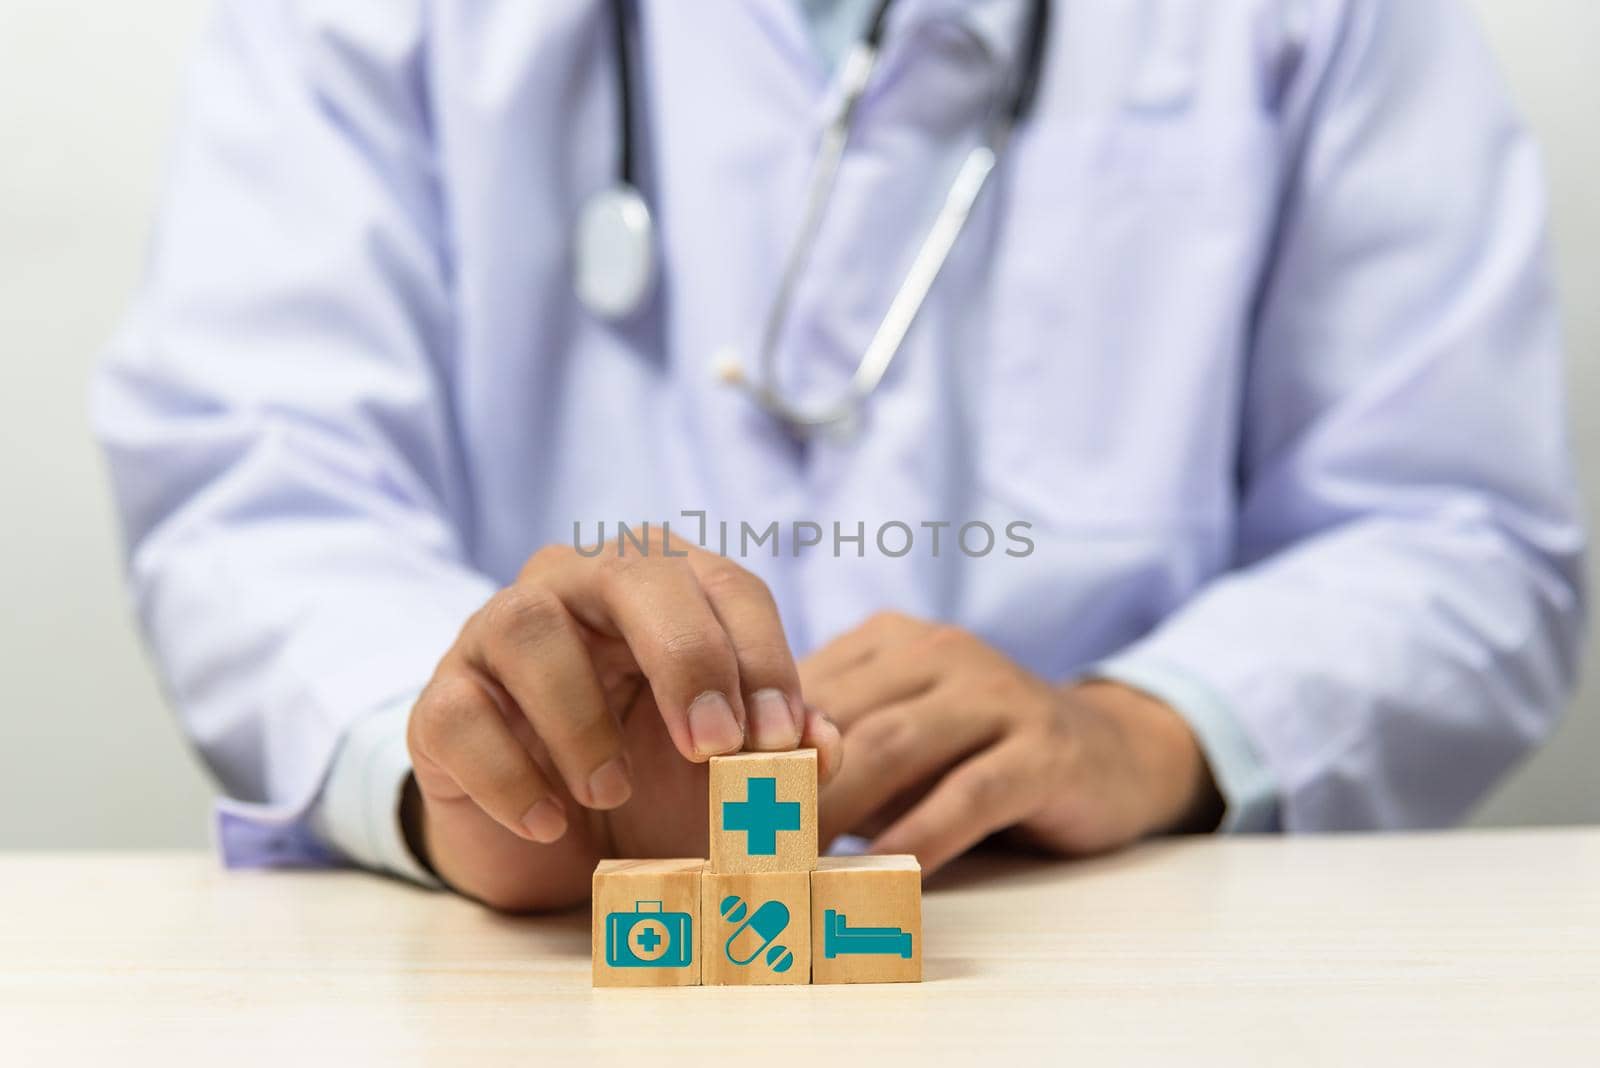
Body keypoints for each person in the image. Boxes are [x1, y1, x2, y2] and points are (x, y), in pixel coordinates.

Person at [94, 0, 1584, 912]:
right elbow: (252, 488)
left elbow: (1456, 523)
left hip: (1107, 957)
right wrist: (476, 768)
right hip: (538, 987)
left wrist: (1145, 730)